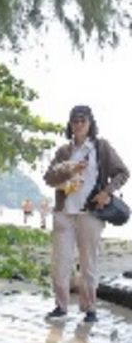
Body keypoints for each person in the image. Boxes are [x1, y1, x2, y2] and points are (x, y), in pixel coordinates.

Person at [42, 105, 128, 322]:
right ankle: (61, 307)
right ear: (70, 124)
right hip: (64, 213)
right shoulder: (64, 151)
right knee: (60, 262)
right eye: (74, 121)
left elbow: (122, 173)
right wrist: (69, 169)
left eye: (82, 120)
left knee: (89, 263)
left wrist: (106, 192)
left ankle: (90, 309)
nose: (78, 124)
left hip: (90, 213)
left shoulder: (100, 147)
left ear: (90, 123)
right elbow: (49, 178)